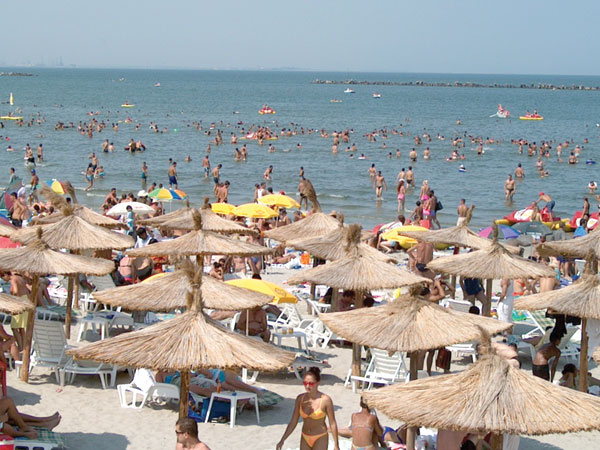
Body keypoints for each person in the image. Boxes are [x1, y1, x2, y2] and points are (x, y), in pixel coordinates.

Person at [277, 367, 339, 450]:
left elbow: (332, 423)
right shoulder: (300, 399)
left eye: (311, 384)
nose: (308, 386)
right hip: (305, 436)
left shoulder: (325, 400)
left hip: (320, 437)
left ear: (318, 383)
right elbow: (293, 421)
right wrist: (282, 440)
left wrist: (336, 445)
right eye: (305, 383)